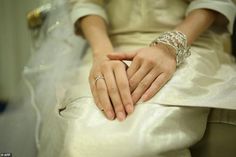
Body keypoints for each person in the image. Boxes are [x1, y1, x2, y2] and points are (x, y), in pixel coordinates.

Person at [37, 0, 236, 157]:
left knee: (139, 141)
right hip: (109, 45)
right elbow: (86, 3)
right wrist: (102, 55)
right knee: (83, 139)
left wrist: (170, 46)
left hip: (191, 42)